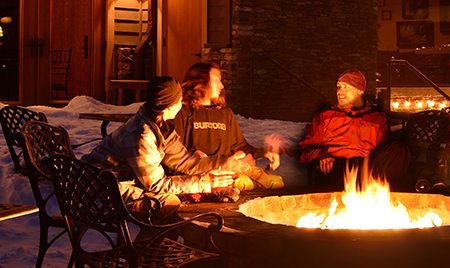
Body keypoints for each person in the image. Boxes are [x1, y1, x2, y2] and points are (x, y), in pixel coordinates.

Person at [81, 76, 240, 234]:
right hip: (103, 191)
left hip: (119, 182)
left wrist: (224, 162)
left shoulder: (159, 124)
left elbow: (185, 161)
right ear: (169, 106)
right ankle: (147, 255)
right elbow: (156, 185)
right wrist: (204, 183)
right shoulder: (142, 135)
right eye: (179, 99)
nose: (182, 103)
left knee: (173, 198)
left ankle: (152, 253)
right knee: (167, 204)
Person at [173, 62, 284, 191]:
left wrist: (264, 152)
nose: (222, 85)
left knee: (275, 182)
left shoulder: (225, 113)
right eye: (216, 79)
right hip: (207, 173)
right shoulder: (183, 112)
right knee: (242, 183)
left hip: (232, 167)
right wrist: (195, 155)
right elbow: (175, 153)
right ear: (201, 79)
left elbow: (240, 146)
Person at [299, 69, 410, 188]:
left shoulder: (376, 119)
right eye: (339, 87)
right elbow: (307, 147)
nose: (340, 92)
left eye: (346, 87)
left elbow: (384, 154)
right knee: (344, 178)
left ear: (360, 90)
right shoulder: (326, 116)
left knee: (399, 149)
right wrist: (322, 155)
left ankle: (376, 192)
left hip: (369, 168)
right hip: (339, 169)